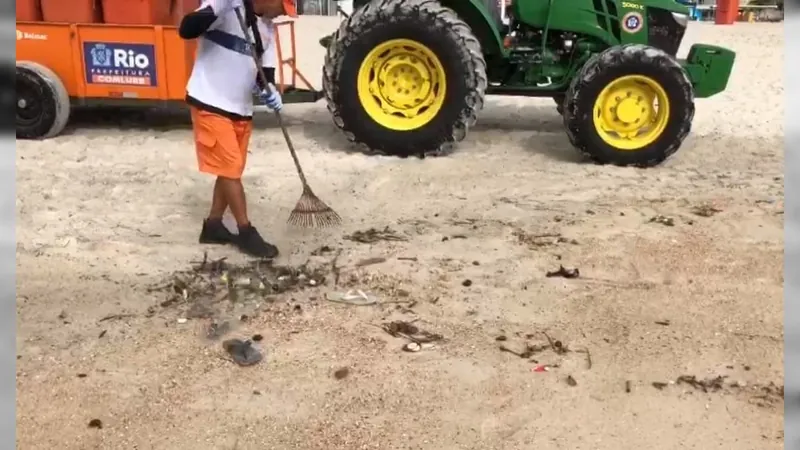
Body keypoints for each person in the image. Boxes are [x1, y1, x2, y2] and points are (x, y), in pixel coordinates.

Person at [178, 0, 297, 258]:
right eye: (281, 8)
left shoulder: (266, 28)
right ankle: (245, 231)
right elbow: (186, 29)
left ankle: (213, 225)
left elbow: (264, 73)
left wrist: (269, 91)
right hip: (210, 101)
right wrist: (217, 8)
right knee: (231, 168)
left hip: (240, 108)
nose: (280, 15)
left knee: (230, 170)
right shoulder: (225, 7)